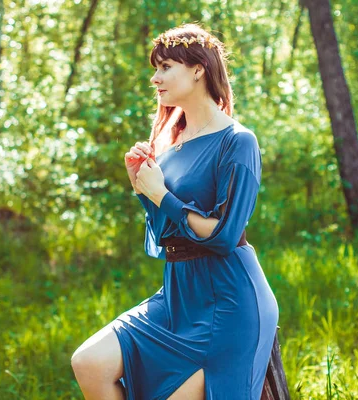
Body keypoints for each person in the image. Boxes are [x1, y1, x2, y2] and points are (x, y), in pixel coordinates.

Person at [71, 23, 279, 400]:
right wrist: (143, 188)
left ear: (198, 69)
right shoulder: (171, 145)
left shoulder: (238, 142)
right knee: (89, 363)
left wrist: (161, 194)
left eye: (166, 67)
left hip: (229, 302)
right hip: (178, 295)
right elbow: (167, 231)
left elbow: (224, 236)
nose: (155, 78)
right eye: (157, 68)